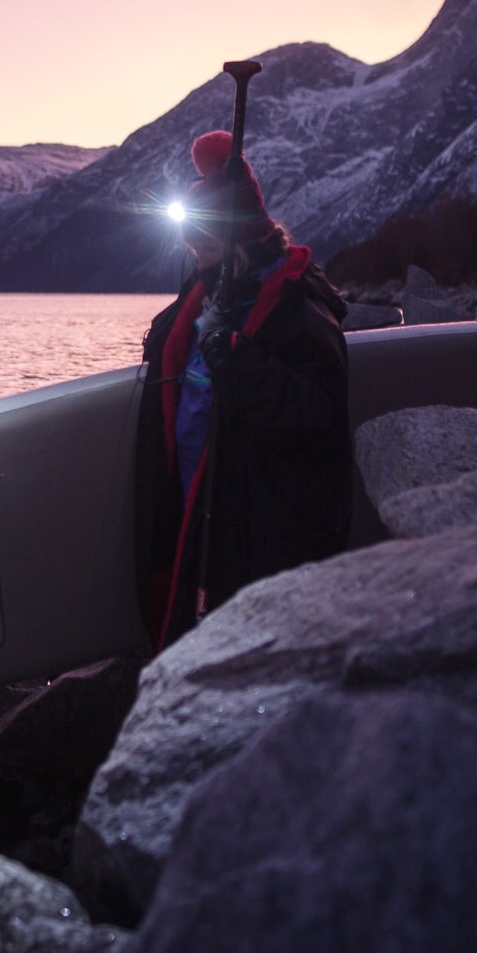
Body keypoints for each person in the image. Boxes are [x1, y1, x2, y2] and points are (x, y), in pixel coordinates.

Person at [136, 128, 352, 651]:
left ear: (243, 237)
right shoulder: (209, 295)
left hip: (255, 536)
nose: (198, 256)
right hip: (197, 518)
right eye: (191, 245)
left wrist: (235, 358)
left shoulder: (298, 309)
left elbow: (319, 411)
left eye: (207, 244)